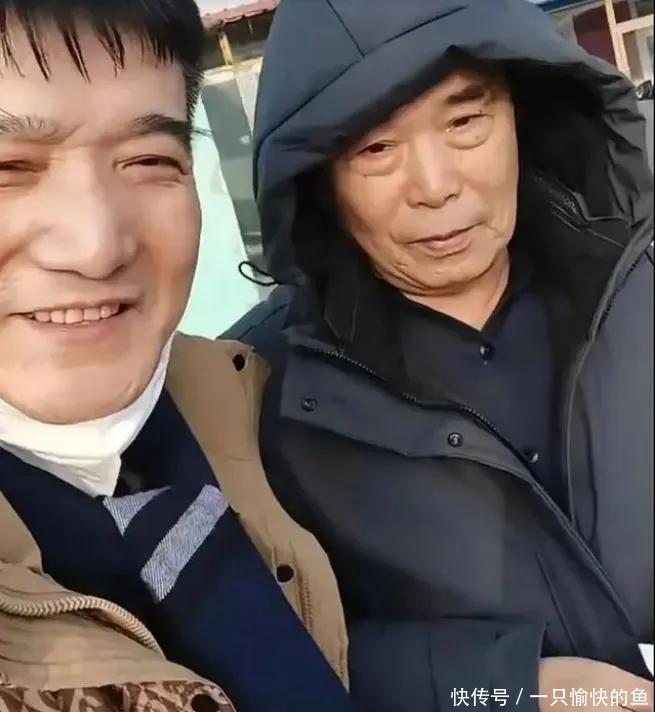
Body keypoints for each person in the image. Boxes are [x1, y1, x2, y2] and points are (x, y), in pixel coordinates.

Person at [225, 0, 654, 709]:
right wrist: (508, 687)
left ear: (520, 113)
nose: (435, 186)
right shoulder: (253, 398)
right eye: (375, 149)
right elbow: (262, 648)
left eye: (464, 122)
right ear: (318, 175)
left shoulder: (639, 280)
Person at [0, 2, 354, 711]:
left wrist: (503, 683)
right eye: (9, 167)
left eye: (148, 160)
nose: (97, 245)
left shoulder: (241, 405)